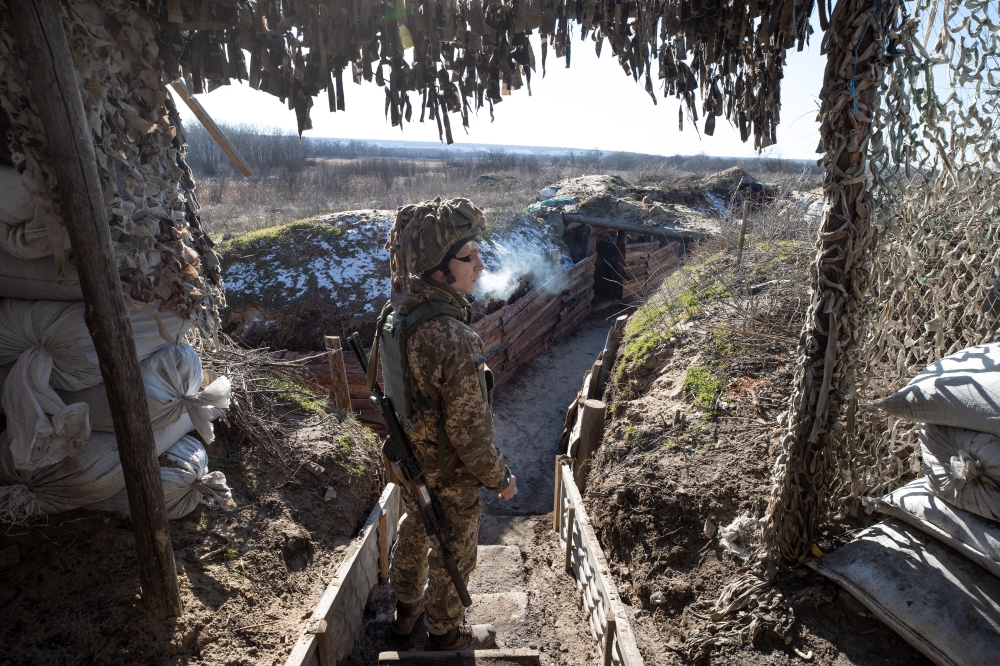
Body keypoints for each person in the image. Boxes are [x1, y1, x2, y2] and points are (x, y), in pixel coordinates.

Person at [376, 197, 518, 651]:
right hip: (449, 469)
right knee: (454, 547)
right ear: (439, 268)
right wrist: (500, 478)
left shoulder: (398, 313)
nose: (480, 264)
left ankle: (405, 612)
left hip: (412, 459)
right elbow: (470, 435)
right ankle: (445, 633)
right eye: (468, 256)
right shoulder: (453, 336)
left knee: (415, 526)